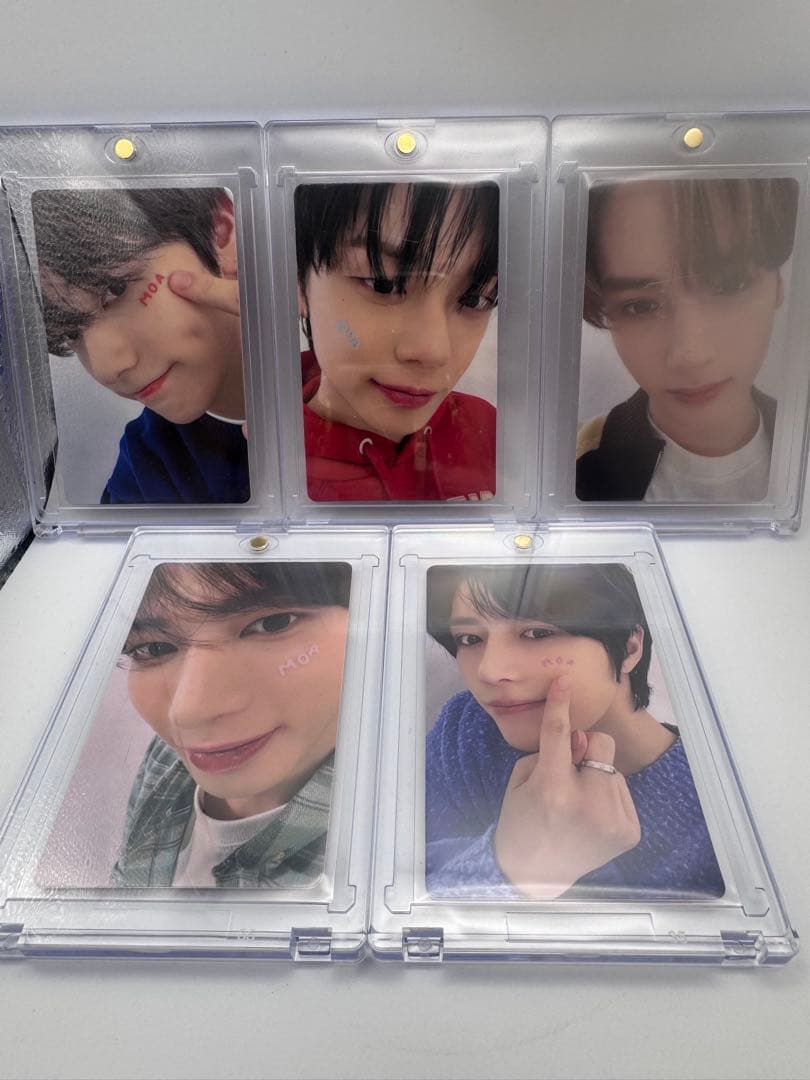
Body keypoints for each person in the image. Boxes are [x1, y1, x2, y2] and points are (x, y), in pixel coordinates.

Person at [425, 563, 724, 899]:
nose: (489, 671)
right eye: (470, 639)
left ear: (630, 647)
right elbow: (399, 891)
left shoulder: (722, 805)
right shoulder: (468, 732)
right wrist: (518, 870)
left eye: (537, 634)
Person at [113, 559, 351, 887]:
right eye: (153, 648)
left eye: (273, 624)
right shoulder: (167, 758)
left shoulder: (379, 854)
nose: (188, 713)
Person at [576, 177, 798, 502]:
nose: (690, 354)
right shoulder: (569, 468)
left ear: (778, 284)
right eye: (640, 306)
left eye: (729, 284)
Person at [33, 187, 248, 503]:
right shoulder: (147, 472)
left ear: (221, 231)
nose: (106, 368)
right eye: (70, 331)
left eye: (116, 288)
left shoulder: (329, 357)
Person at [294, 181, 499, 501]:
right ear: (298, 281)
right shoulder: (269, 470)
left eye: (475, 299)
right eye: (383, 283)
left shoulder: (490, 431)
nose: (433, 351)